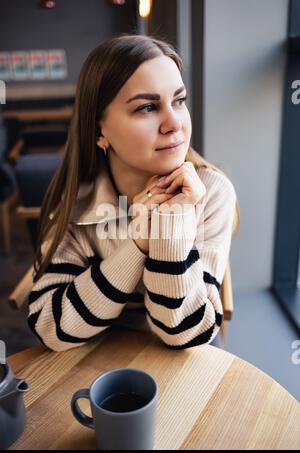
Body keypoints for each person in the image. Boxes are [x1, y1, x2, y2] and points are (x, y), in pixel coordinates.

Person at [28, 34, 240, 352]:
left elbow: (184, 334)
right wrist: (137, 244)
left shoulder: (212, 192)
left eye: (179, 101)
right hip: (99, 365)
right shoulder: (79, 204)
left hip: (184, 367)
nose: (174, 124)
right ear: (100, 130)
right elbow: (50, 326)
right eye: (147, 107)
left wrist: (169, 228)